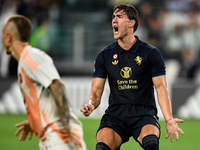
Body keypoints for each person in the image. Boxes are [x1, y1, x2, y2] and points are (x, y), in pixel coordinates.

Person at [80, 3, 184, 150]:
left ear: (131, 23)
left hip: (143, 112)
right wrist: (91, 103)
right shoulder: (104, 55)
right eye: (113, 17)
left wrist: (169, 119)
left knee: (151, 144)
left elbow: (161, 89)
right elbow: (96, 91)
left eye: (119, 17)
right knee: (102, 147)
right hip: (116, 113)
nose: (114, 20)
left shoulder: (151, 53)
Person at [2, 15, 87, 150]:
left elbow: (57, 85)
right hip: (50, 139)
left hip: (61, 138)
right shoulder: (25, 61)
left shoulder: (31, 56)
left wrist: (67, 127)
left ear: (8, 37)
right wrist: (35, 122)